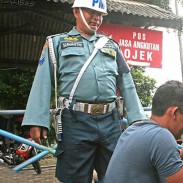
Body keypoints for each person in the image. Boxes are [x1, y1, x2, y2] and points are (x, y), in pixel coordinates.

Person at [22, 0, 146, 182]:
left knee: (118, 175)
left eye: (100, 14)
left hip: (111, 121)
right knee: (75, 177)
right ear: (76, 11)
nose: (96, 18)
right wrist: (36, 121)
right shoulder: (57, 43)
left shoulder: (111, 45)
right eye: (91, 12)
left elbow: (127, 83)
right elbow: (42, 81)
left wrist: (138, 119)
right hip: (75, 122)